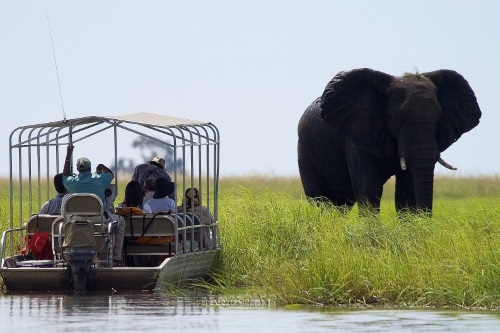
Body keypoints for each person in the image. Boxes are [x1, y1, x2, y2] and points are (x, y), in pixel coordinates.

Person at [61, 144, 126, 266]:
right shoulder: (99, 179)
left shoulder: (71, 182)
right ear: (90, 168)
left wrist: (68, 154)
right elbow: (111, 174)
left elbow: (64, 175)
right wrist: (101, 167)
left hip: (77, 220)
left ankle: (64, 256)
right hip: (99, 220)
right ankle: (116, 257)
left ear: (77, 169)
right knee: (121, 222)